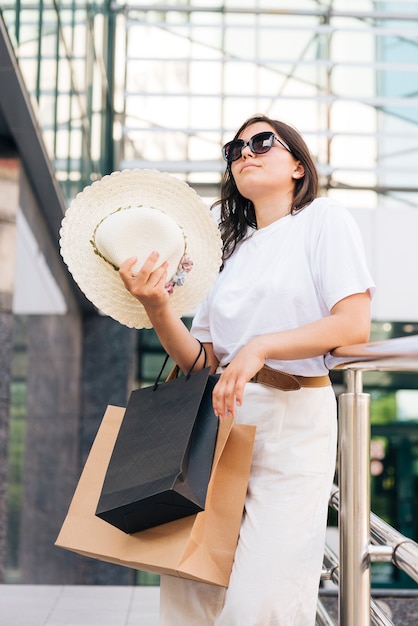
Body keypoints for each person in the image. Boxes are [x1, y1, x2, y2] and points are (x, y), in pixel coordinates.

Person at [119, 114, 375, 625]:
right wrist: (157, 309)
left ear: (299, 166)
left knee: (263, 601)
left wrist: (262, 346)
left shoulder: (323, 220)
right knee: (190, 591)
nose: (245, 152)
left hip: (293, 414)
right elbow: (203, 360)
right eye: (234, 147)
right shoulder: (228, 252)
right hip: (217, 419)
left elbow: (354, 325)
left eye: (261, 142)